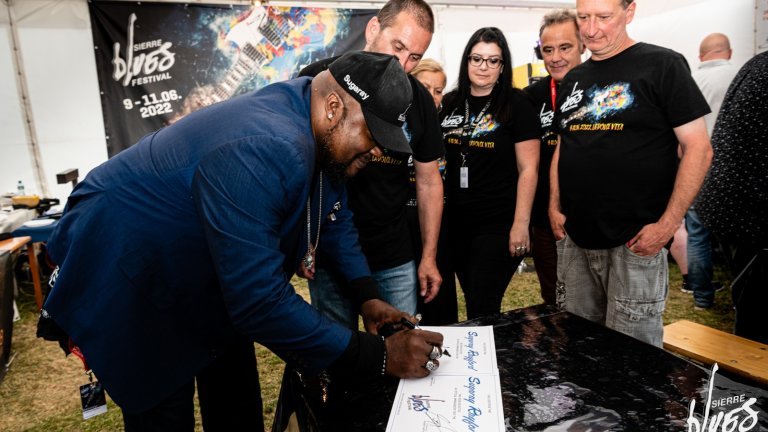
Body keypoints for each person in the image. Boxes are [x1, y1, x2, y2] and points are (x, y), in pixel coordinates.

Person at [40, 52, 444, 430]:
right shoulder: (268, 146)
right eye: (373, 134)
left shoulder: (317, 129)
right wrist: (377, 357)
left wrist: (367, 295)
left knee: (236, 398)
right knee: (163, 408)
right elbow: (258, 301)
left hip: (201, 273)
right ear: (334, 108)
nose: (376, 150)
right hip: (131, 272)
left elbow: (334, 219)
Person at [549, 0, 713, 347]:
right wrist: (554, 205)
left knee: (632, 357)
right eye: (583, 17)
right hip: (577, 240)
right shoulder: (574, 78)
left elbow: (699, 148)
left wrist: (668, 225)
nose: (591, 29)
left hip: (635, 242)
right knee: (579, 347)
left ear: (630, 11)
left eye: (604, 17)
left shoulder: (662, 64)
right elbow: (564, 144)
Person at [299, 0, 445, 329]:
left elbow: (429, 181)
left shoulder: (419, 99)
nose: (404, 64)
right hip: (331, 254)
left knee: (401, 348)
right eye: (398, 48)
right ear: (373, 29)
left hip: (392, 254)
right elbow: (302, 171)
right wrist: (302, 240)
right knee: (337, 355)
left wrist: (429, 255)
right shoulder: (320, 80)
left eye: (415, 57)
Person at [441, 27, 540, 320]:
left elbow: (529, 169)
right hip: (455, 223)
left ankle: (486, 361)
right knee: (470, 298)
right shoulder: (450, 103)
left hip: (497, 224)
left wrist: (521, 224)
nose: (483, 67)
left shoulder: (517, 104)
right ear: (466, 61)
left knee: (483, 304)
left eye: (493, 60)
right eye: (477, 58)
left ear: (502, 65)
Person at [696, 51, 768, 344]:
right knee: (757, 322)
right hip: (751, 214)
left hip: (727, 201)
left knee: (750, 305)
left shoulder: (757, 64)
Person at [523, 9, 584, 305]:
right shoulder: (531, 97)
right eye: (548, 50)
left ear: (582, 44)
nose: (556, 57)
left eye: (565, 47)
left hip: (591, 218)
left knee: (590, 303)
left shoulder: (599, 87)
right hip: (545, 220)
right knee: (554, 298)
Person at [685, 33, 739, 309]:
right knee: (739, 235)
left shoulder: (691, 81)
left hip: (697, 164)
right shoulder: (740, 75)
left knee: (697, 232)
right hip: (734, 168)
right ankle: (741, 296)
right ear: (728, 52)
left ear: (701, 55)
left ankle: (702, 298)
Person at [407, 59, 458, 325]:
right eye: (425, 87)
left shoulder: (441, 129)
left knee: (440, 301)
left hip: (437, 224)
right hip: (403, 227)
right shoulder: (395, 126)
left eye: (438, 90)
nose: (432, 96)